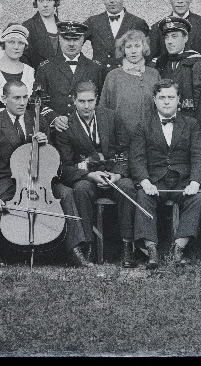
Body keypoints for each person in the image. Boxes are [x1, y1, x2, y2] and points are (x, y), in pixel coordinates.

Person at [0, 80, 92, 267]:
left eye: (25, 97)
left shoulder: (37, 119)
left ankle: (75, 250)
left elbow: (54, 159)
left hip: (40, 181)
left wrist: (47, 144)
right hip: (8, 182)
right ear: (4, 99)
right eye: (16, 98)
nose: (22, 102)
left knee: (66, 193)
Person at [56, 81, 137, 267]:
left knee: (127, 187)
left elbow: (125, 150)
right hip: (87, 177)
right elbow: (65, 166)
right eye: (82, 101)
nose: (86, 106)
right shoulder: (66, 126)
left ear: (97, 99)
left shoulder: (112, 118)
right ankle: (88, 246)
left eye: (91, 101)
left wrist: (117, 174)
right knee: (81, 189)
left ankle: (127, 247)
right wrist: (89, 175)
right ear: (73, 101)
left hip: (113, 174)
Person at [130, 79, 201, 269]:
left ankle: (178, 249)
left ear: (178, 99)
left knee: (197, 198)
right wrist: (145, 181)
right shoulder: (143, 126)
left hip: (183, 180)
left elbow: (200, 155)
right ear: (154, 100)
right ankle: (151, 251)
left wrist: (195, 181)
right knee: (142, 195)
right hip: (156, 180)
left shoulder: (191, 124)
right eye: (162, 98)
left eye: (171, 97)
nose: (166, 102)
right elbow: (137, 158)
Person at [34, 21, 105, 134]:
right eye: (67, 39)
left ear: (83, 40)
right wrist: (54, 118)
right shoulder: (46, 68)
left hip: (87, 131)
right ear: (59, 39)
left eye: (76, 39)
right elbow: (37, 100)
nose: (71, 44)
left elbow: (101, 101)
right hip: (57, 131)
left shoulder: (95, 68)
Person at [153, 16, 201, 127]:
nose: (169, 42)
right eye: (166, 37)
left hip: (193, 128)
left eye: (174, 36)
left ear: (185, 38)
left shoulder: (200, 64)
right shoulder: (162, 64)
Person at [100, 30, 161, 136]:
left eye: (137, 46)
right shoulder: (113, 76)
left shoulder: (154, 75)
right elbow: (103, 109)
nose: (133, 51)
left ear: (144, 48)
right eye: (129, 47)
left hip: (150, 138)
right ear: (123, 50)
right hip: (122, 137)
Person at [83, 0, 150, 72]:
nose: (111, 0)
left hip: (126, 77)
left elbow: (148, 53)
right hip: (99, 77)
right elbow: (75, 42)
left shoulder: (137, 23)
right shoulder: (93, 22)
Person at [0, 23, 34, 114]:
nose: (16, 47)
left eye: (20, 43)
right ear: (3, 43)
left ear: (25, 46)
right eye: (11, 42)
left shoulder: (29, 72)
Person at [21, 0, 61, 69]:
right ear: (36, 3)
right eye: (41, 1)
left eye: (49, 0)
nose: (45, 5)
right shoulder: (28, 27)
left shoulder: (63, 27)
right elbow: (24, 60)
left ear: (55, 3)